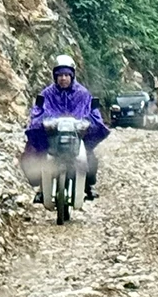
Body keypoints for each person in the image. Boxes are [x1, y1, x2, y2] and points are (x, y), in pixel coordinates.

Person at [19, 54, 109, 202]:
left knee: (88, 156)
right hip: (53, 135)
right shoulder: (46, 94)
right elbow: (37, 111)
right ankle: (42, 187)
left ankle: (88, 185)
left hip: (77, 135)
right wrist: (41, 122)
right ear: (55, 76)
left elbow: (92, 112)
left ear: (72, 75)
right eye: (60, 75)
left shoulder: (83, 93)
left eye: (67, 74)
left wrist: (88, 123)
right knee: (37, 154)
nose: (63, 78)